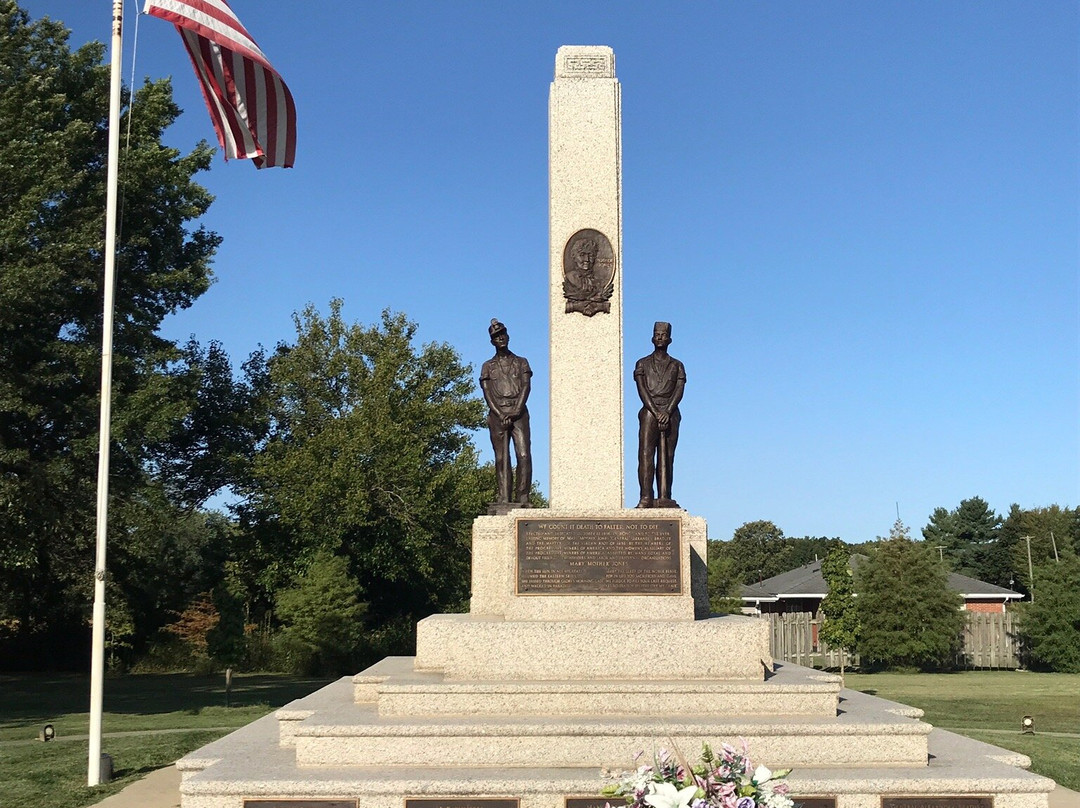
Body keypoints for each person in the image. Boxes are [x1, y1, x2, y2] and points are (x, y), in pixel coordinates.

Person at [480, 319, 532, 507]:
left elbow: (526, 386)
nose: (500, 338)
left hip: (519, 412)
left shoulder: (521, 362)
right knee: (502, 458)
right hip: (498, 413)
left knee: (523, 455)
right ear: (492, 341)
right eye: (496, 336)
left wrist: (517, 409)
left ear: (508, 336)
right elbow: (487, 392)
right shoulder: (488, 366)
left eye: (502, 334)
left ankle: (523, 497)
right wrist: (499, 413)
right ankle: (504, 497)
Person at [634, 321, 685, 508]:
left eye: (664, 335)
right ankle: (646, 496)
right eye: (657, 334)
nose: (660, 337)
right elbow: (642, 390)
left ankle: (665, 495)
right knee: (646, 454)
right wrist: (656, 412)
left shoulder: (677, 365)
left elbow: (679, 390)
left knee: (667, 456)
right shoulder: (642, 363)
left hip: (670, 411)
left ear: (670, 339)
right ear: (652, 337)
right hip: (649, 410)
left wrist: (668, 411)